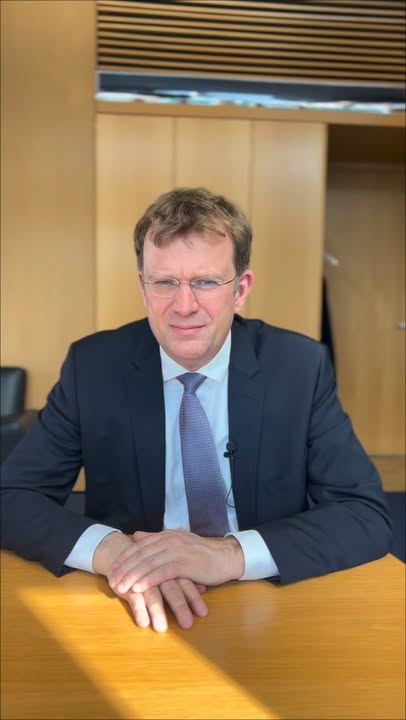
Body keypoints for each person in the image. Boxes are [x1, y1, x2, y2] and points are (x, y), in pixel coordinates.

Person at [1, 187, 392, 632]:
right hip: (134, 598)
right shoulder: (92, 367)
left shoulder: (299, 367)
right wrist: (117, 552)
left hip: (265, 598)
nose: (184, 306)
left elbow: (364, 514)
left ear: (240, 289)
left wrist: (227, 554)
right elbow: (12, 497)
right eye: (165, 282)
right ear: (143, 287)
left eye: (205, 282)